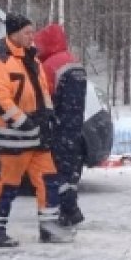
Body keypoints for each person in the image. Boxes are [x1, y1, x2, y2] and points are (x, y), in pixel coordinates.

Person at [0, 13, 69, 246]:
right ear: (13, 34)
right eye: (27, 33)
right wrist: (24, 122)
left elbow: (42, 93)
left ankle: (49, 229)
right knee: (8, 185)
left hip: (38, 136)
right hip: (14, 138)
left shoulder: (33, 60)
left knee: (49, 181)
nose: (32, 37)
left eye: (33, 32)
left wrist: (49, 117)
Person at [34, 23, 87, 226]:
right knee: (71, 169)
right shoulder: (74, 61)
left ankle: (68, 210)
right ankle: (71, 208)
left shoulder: (49, 66)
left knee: (58, 170)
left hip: (59, 124)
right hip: (75, 125)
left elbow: (44, 94)